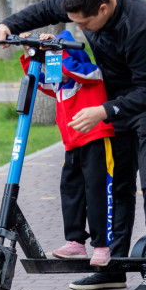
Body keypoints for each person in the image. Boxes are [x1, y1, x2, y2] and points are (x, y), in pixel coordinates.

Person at [0, 0, 146, 290]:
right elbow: (42, 10)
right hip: (112, 98)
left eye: (85, 23)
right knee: (117, 181)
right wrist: (7, 25)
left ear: (104, 8)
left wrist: (103, 111)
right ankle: (113, 270)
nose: (81, 27)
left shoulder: (140, 24)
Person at [18, 30, 115, 267]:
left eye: (59, 60)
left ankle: (102, 245)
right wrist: (28, 52)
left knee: (97, 191)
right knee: (70, 190)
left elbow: (75, 70)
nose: (57, 70)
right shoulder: (60, 85)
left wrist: (57, 50)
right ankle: (75, 242)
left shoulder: (91, 73)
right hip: (72, 145)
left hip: (96, 139)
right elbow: (37, 81)